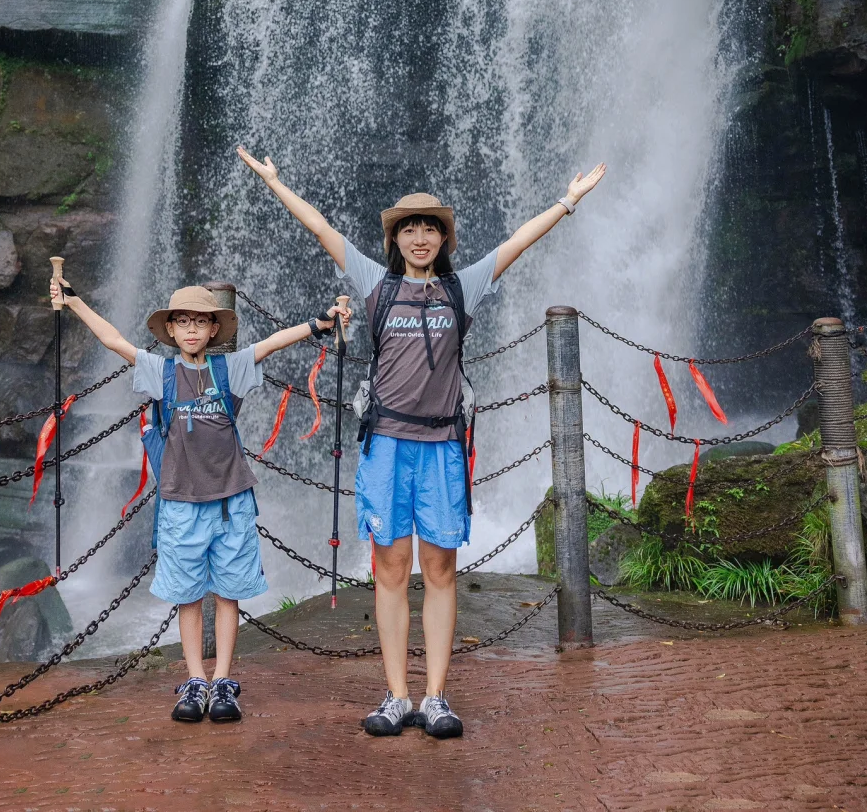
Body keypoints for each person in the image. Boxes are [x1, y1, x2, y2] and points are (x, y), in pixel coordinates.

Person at [236, 148, 606, 740]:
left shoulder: (465, 286)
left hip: (441, 446)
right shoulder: (374, 285)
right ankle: (396, 695)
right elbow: (320, 227)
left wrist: (568, 200)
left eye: (429, 227)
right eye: (409, 228)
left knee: (439, 569)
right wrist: (277, 183)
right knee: (389, 568)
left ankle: (435, 696)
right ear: (395, 238)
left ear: (442, 238)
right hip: (385, 442)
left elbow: (518, 242)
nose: (419, 236)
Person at [49, 269, 348, 724]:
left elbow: (271, 343)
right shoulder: (160, 371)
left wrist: (317, 324)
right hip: (180, 502)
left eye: (200, 321)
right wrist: (74, 303)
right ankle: (194, 679)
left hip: (231, 500)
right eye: (182, 321)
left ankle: (223, 680)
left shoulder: (230, 367)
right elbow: (113, 342)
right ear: (170, 330)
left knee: (228, 593)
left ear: (214, 329)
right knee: (187, 594)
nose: (191, 329)